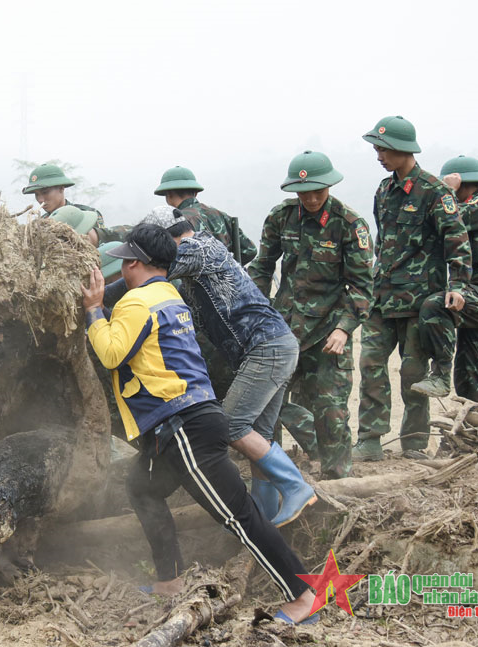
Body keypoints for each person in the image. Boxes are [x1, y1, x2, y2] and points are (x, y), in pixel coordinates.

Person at [81, 224, 317, 624]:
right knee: (142, 488)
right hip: (168, 428)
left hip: (183, 426)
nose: (120, 266)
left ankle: (304, 593)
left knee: (238, 514)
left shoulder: (138, 302)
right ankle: (170, 580)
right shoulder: (168, 293)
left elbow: (110, 353)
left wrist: (93, 309)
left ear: (135, 262)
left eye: (123, 260)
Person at [138, 207, 315, 526]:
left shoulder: (197, 249)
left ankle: (295, 487)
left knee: (231, 425)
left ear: (166, 239)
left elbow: (146, 277)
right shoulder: (196, 260)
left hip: (267, 347)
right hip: (272, 346)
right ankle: (266, 516)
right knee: (259, 434)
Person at [248, 152, 373, 479]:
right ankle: (272, 478)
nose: (312, 198)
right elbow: (262, 268)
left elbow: (362, 287)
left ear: (329, 186)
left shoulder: (348, 225)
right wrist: (257, 313)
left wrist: (344, 329)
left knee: (331, 412)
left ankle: (338, 479)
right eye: (304, 192)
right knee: (267, 409)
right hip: (283, 329)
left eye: (318, 190)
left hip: (327, 332)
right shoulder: (281, 218)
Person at [354, 116, 472, 462]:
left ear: (403, 150)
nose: (379, 155)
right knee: (371, 367)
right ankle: (370, 440)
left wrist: (459, 285)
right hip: (382, 298)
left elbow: (458, 242)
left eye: (383, 149)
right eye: (377, 148)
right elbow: (382, 243)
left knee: (413, 375)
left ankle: (415, 444)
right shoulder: (383, 189)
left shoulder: (435, 193)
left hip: (419, 301)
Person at [411, 155, 478, 402]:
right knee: (469, 379)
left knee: (437, 306)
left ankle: (439, 374)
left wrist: (445, 191)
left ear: (463, 184)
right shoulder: (471, 205)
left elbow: (448, 219)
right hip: (475, 297)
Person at [153, 166, 257, 265]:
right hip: (229, 282)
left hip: (194, 284)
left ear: (169, 194)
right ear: (196, 193)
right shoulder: (220, 215)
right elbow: (250, 251)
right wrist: (228, 268)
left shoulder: (176, 222)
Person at [21, 163, 122, 243]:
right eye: (36, 194)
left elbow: (101, 245)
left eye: (45, 192)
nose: (40, 199)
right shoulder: (39, 223)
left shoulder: (86, 215)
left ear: (61, 188)